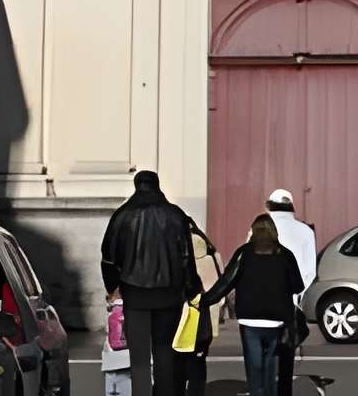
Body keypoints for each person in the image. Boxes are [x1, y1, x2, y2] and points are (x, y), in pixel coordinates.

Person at [100, 168, 199, 396]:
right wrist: (191, 287)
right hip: (169, 294)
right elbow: (186, 257)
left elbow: (108, 256)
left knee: (139, 357)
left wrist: (113, 287)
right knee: (165, 353)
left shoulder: (123, 215)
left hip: (135, 294)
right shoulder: (175, 215)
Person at [203, 214, 305, 396]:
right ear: (274, 232)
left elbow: (227, 281)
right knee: (272, 371)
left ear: (253, 232)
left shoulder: (244, 253)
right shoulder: (285, 254)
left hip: (249, 321)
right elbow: (298, 286)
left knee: (254, 370)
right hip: (277, 321)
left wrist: (205, 300)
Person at [266, 193, 317, 396]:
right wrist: (298, 294)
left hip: (263, 301)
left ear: (269, 206)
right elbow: (310, 270)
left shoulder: (261, 229)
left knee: (264, 355)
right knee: (286, 353)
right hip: (290, 302)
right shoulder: (305, 231)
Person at [173, 220, 221, 396]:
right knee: (198, 364)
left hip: (178, 320)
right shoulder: (211, 254)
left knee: (176, 364)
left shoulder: (175, 257)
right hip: (202, 321)